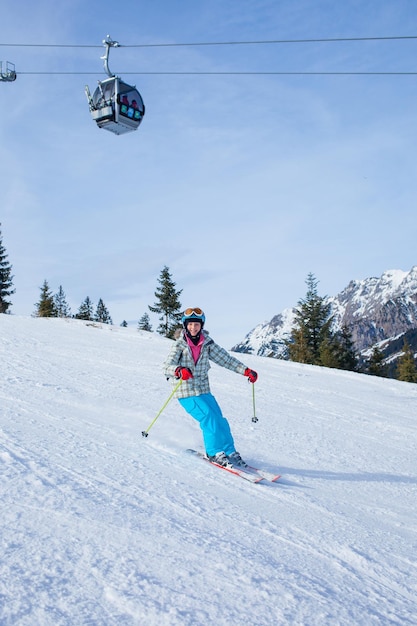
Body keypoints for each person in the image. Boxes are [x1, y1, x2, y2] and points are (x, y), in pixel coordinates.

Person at [163, 307, 258, 468]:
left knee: (220, 420)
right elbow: (167, 366)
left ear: (202, 326)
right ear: (185, 326)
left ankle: (229, 451)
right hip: (185, 390)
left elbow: (225, 359)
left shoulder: (207, 343)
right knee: (209, 418)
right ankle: (213, 452)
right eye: (191, 324)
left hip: (203, 389)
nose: (193, 328)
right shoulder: (179, 345)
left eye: (197, 325)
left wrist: (246, 371)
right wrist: (179, 370)